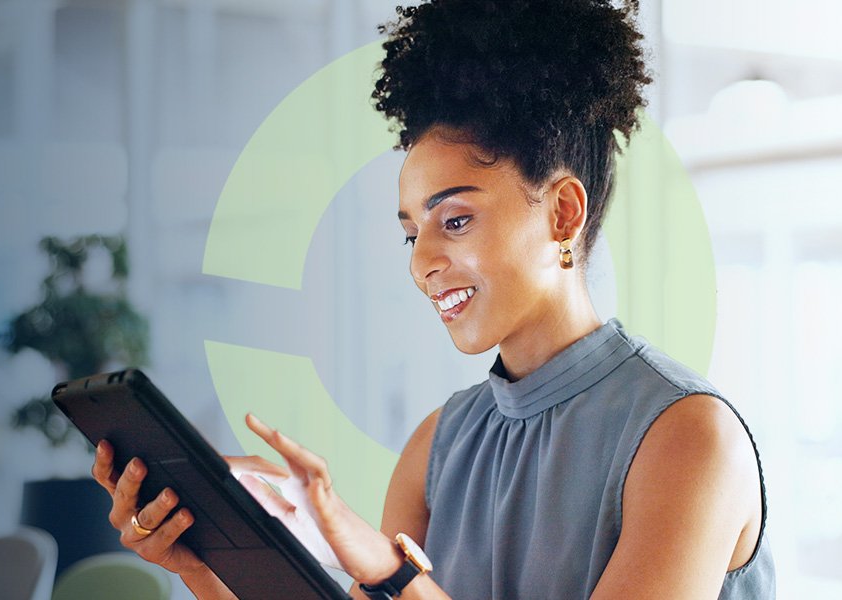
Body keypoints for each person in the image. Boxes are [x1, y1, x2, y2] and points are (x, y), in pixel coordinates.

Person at [91, 1, 775, 598]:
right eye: (411, 233)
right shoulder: (438, 445)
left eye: (455, 221)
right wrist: (210, 561)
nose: (422, 264)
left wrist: (392, 572)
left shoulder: (689, 439)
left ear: (563, 214)